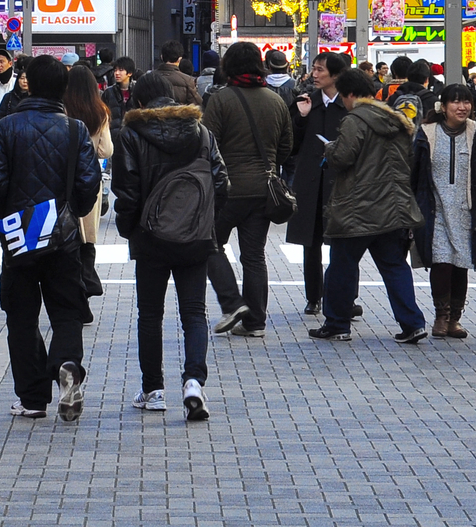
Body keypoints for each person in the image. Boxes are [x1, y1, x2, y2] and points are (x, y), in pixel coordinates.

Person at [0, 55, 100, 421]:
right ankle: (66, 364)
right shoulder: (76, 129)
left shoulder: (6, 126)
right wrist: (74, 210)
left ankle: (32, 398)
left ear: (27, 82)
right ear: (62, 89)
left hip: (19, 236)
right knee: (66, 311)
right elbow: (87, 183)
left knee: (21, 315)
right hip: (62, 237)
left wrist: (4, 212)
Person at [113, 80, 226, 419]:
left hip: (150, 238)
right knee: (194, 312)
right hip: (195, 236)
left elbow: (127, 191)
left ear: (140, 100)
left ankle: (154, 389)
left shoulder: (131, 135)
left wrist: (130, 229)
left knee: (150, 315)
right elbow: (222, 182)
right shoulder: (201, 132)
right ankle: (194, 382)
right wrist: (204, 219)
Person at [308, 66, 431, 344]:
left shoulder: (355, 120)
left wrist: (330, 149)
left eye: (343, 96)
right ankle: (413, 323)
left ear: (350, 94)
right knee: (394, 266)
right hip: (391, 207)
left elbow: (342, 158)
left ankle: (337, 323)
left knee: (341, 265)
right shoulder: (394, 120)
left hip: (358, 209)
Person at [202, 42, 291, 338]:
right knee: (254, 257)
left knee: (210, 245)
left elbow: (207, 143)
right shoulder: (275, 100)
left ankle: (232, 303)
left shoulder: (221, 99)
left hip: (227, 189)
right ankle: (255, 322)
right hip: (263, 189)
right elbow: (287, 146)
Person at [415, 83, 476, 339]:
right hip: (435, 209)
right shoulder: (427, 133)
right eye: (456, 102)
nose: (462, 107)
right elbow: (415, 172)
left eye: (467, 102)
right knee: (441, 263)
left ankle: (455, 319)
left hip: (466, 209)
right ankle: (441, 315)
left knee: (461, 264)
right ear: (443, 106)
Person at [285, 51, 348, 316]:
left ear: (336, 75)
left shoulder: (348, 104)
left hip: (341, 182)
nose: (315, 74)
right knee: (310, 244)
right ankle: (314, 296)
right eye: (314, 69)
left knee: (343, 245)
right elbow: (290, 144)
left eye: (321, 70)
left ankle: (344, 296)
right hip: (311, 180)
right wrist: (300, 118)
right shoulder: (306, 102)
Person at [61, 63, 113, 305]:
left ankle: (76, 291)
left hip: (62, 177)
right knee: (87, 236)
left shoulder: (62, 109)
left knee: (67, 234)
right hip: (89, 178)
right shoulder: (100, 111)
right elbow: (106, 150)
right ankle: (88, 279)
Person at [152, 40, 196, 105]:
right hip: (179, 114)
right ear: (179, 59)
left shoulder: (149, 78)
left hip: (154, 114)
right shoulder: (187, 80)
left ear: (161, 57)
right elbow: (195, 104)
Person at [101, 57, 136, 127]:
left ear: (130, 73)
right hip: (113, 134)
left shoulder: (137, 90)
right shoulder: (108, 92)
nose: (117, 73)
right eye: (115, 70)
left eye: (121, 70)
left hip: (132, 134)